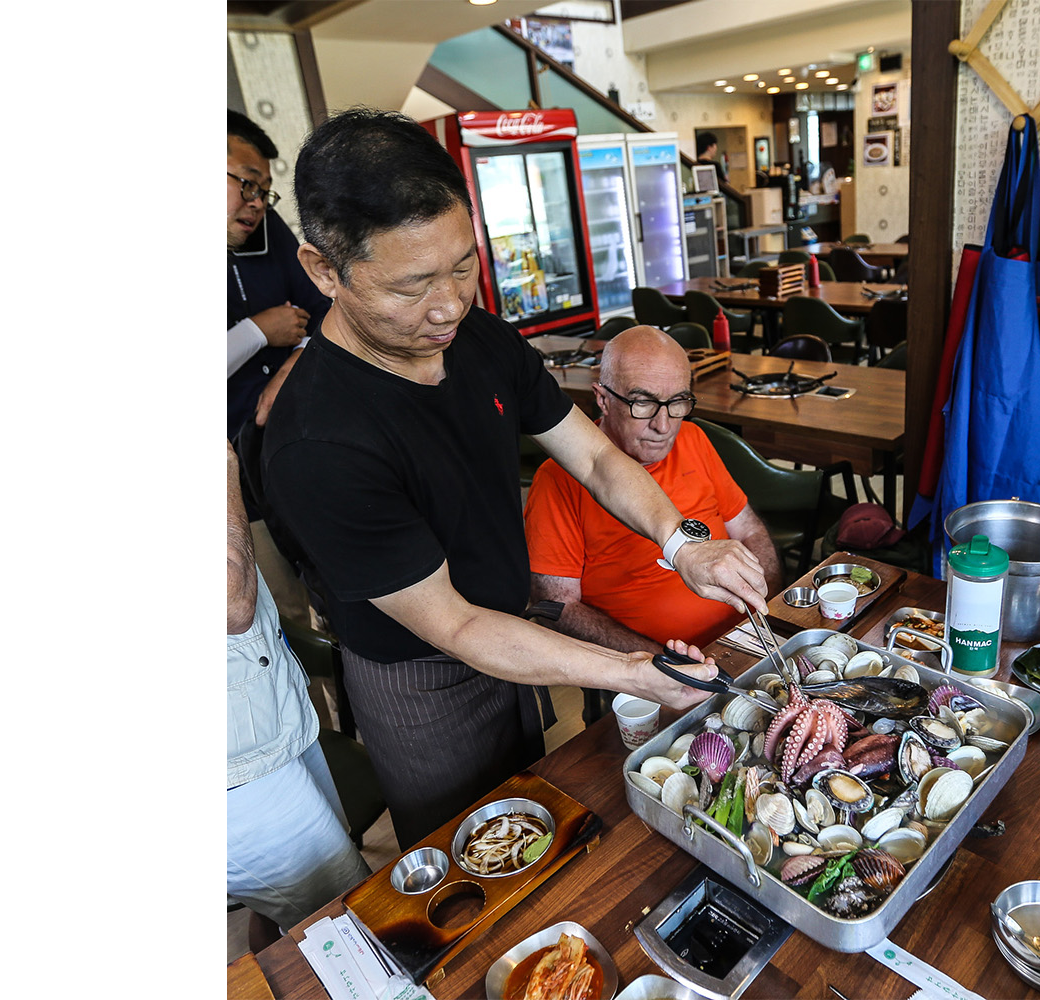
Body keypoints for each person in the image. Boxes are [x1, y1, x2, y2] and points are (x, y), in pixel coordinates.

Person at [259, 109, 768, 848]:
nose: (448, 306)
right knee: (471, 858)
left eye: (463, 266)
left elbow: (594, 456)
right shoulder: (319, 442)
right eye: (411, 286)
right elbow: (456, 625)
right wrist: (631, 671)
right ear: (322, 271)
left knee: (537, 819)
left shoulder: (480, 336)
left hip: (514, 640)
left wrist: (683, 543)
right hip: (421, 674)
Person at [525, 326, 781, 653]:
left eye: (677, 402)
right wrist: (657, 665)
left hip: (746, 640)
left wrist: (767, 611)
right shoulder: (557, 479)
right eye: (643, 403)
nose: (663, 426)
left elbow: (748, 530)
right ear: (602, 399)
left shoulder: (692, 439)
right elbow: (556, 607)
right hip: (653, 666)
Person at [226, 441, 370, 932]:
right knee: (350, 921)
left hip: (262, 723)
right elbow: (230, 603)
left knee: (296, 912)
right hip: (236, 769)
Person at [228, 110, 331, 440]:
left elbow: (325, 307)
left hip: (293, 429)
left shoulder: (267, 227)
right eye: (247, 184)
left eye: (264, 191)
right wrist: (258, 331)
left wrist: (293, 364)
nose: (257, 203)